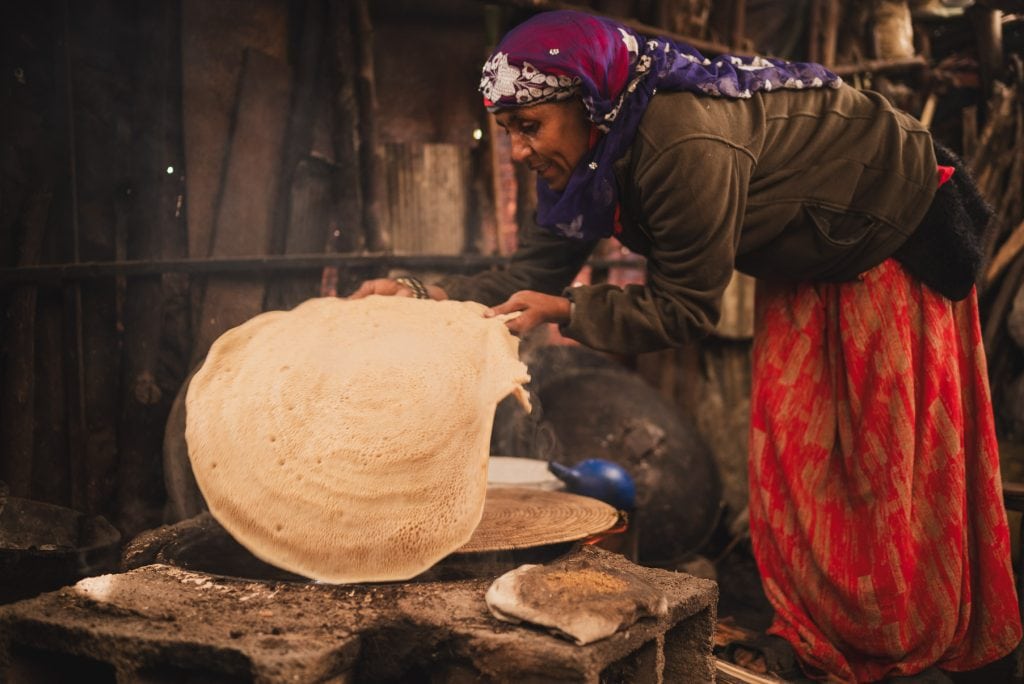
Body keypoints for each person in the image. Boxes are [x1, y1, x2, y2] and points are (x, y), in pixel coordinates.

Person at [351, 10, 1021, 682]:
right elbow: (529, 273)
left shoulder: (680, 142)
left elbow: (685, 307)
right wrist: (422, 293)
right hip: (808, 249)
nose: (520, 150)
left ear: (591, 104)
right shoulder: (586, 160)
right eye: (509, 133)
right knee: (795, 458)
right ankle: (822, 634)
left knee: (878, 465)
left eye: (530, 128)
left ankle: (899, 642)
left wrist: (568, 310)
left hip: (887, 229)